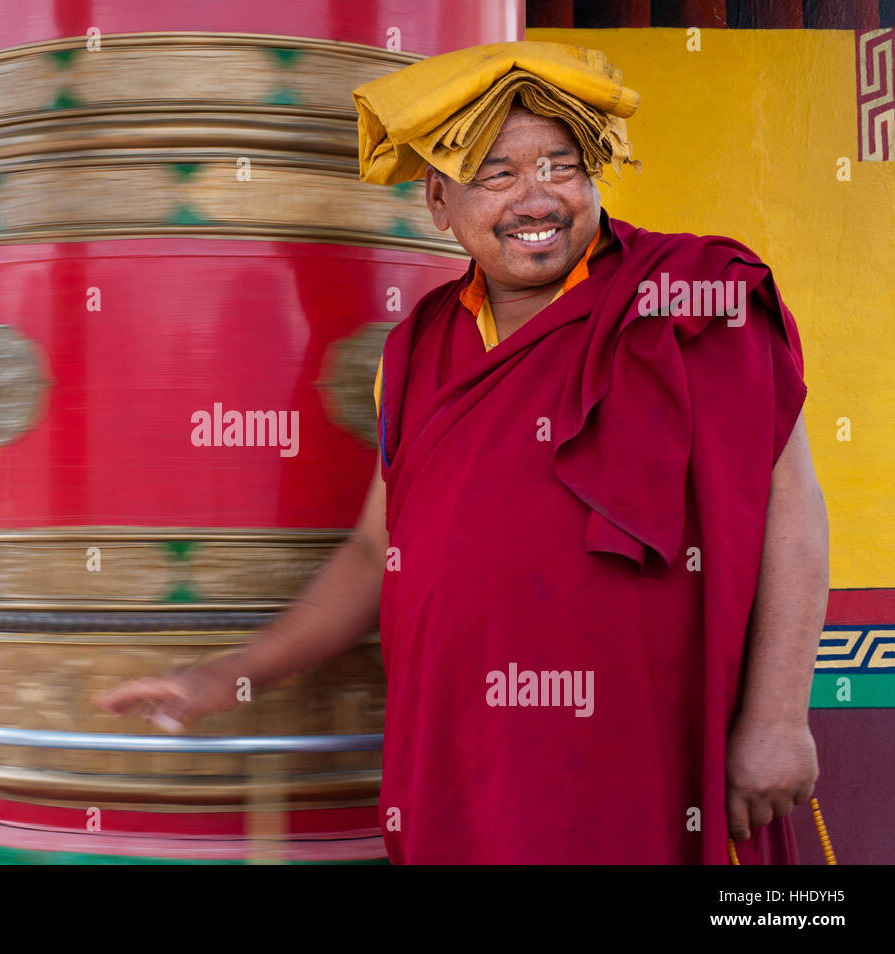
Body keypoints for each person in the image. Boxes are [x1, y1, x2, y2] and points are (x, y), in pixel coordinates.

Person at [97, 40, 828, 864]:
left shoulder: (692, 293)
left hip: (646, 742)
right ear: (439, 202)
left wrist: (776, 718)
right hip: (466, 752)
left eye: (562, 164)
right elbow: (380, 549)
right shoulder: (418, 345)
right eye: (496, 174)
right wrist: (228, 675)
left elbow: (789, 505)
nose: (536, 196)